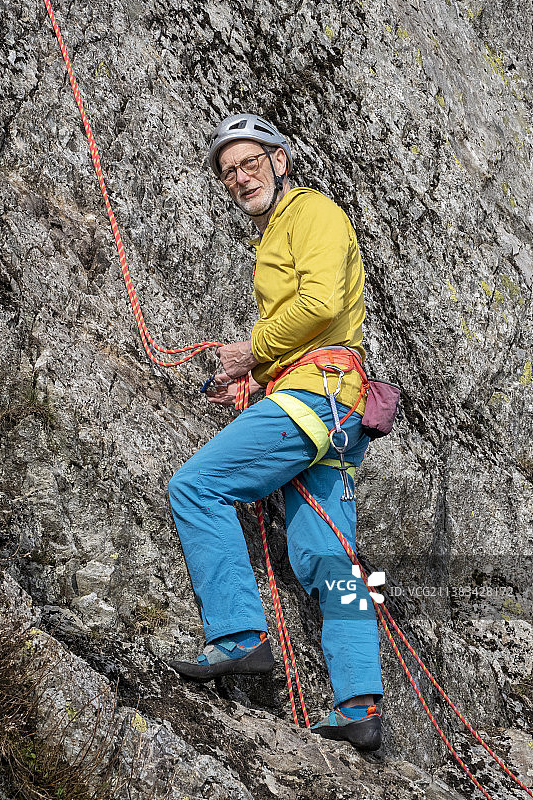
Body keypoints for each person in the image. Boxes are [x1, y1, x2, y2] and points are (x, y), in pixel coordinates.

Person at [168, 113, 383, 750]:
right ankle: (360, 705)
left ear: (279, 160)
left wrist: (252, 352)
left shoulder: (312, 213)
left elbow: (320, 304)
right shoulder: (282, 229)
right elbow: (318, 321)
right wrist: (258, 375)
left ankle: (239, 637)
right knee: (329, 558)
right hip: (335, 407)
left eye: (250, 163)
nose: (240, 178)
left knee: (196, 487)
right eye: (229, 172)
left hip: (316, 396)